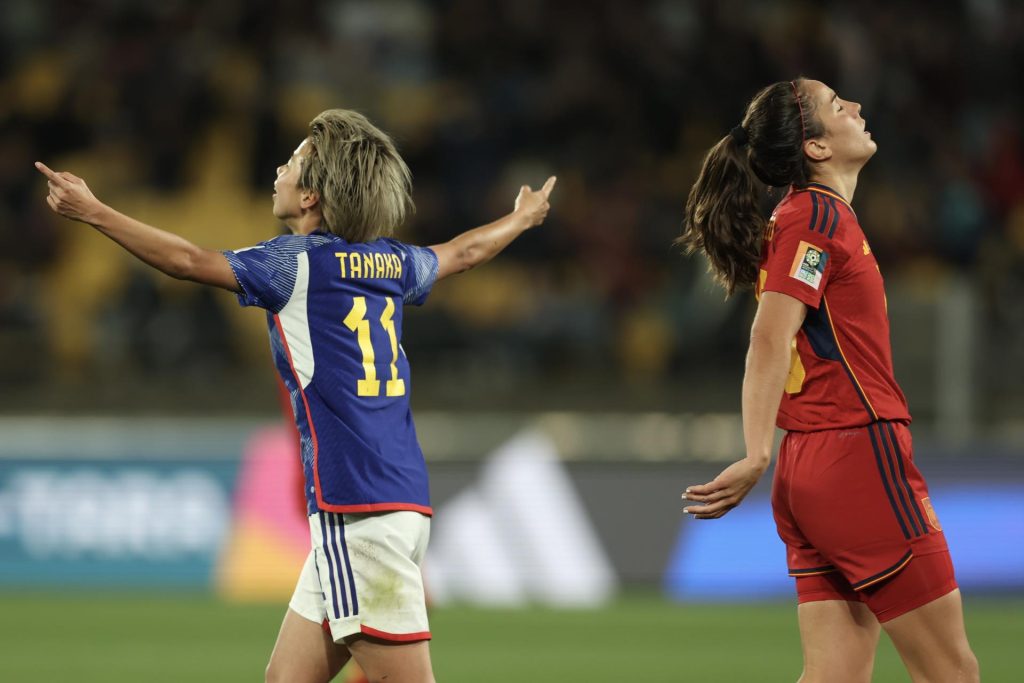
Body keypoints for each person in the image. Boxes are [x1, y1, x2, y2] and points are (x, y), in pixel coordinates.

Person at [36, 108, 556, 683]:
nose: (280, 169)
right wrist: (521, 218)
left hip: (356, 509)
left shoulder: (295, 264)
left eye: (294, 162)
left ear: (310, 197)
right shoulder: (388, 260)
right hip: (397, 501)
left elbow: (186, 261)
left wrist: (93, 211)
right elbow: (464, 252)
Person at [677, 79, 979, 683]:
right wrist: (755, 451)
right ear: (815, 148)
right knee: (953, 673)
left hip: (814, 465)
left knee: (834, 676)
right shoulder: (814, 215)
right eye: (839, 106)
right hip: (857, 454)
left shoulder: (804, 217)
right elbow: (769, 336)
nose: (859, 109)